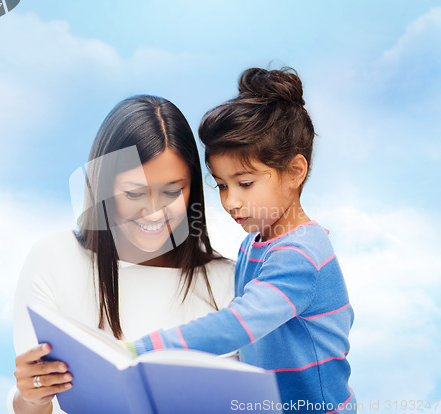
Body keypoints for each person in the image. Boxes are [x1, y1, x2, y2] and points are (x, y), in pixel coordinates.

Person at [125, 68, 356, 414]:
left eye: (245, 183)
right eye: (221, 185)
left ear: (295, 171)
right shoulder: (255, 244)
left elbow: (239, 325)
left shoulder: (301, 254)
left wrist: (139, 351)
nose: (230, 201)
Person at [8, 95, 235, 414]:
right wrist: (30, 398)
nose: (155, 213)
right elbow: (37, 400)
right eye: (134, 193)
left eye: (172, 192)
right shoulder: (54, 259)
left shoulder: (229, 283)